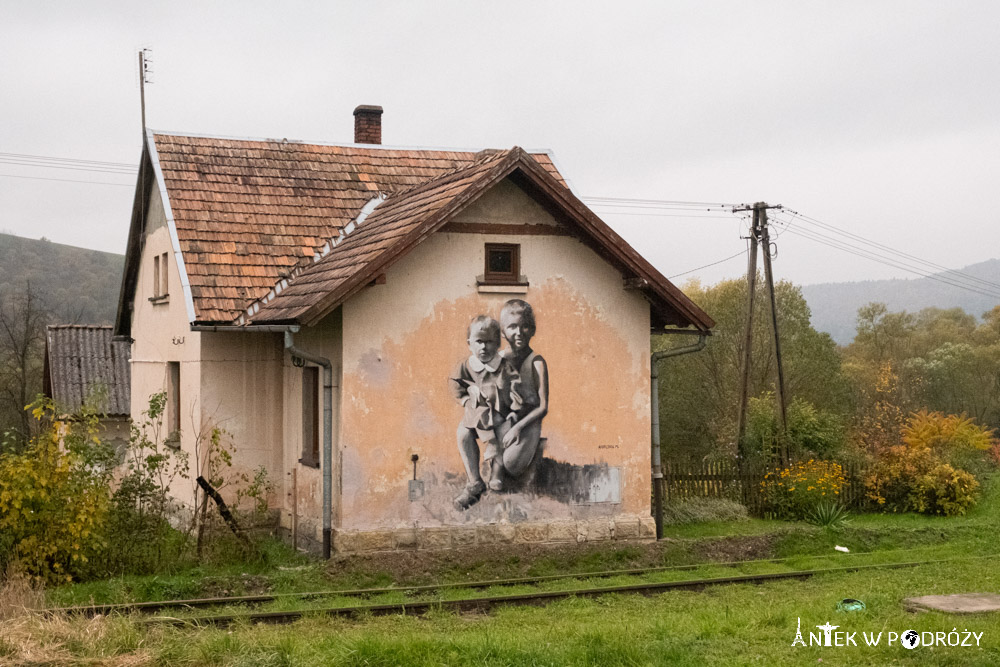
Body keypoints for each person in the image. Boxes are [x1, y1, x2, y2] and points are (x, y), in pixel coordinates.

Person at [449, 315, 516, 509]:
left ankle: (496, 473)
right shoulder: (466, 366)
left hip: (499, 414)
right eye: (479, 341)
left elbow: (515, 388)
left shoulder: (504, 366)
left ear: (497, 344)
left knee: (504, 432)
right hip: (474, 414)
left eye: (489, 342)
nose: (484, 347)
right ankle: (474, 481)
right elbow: (454, 384)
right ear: (469, 344)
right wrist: (464, 399)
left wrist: (509, 402)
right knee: (462, 433)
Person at [496, 299, 548, 480]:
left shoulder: (537, 362)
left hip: (528, 423)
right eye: (512, 327)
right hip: (506, 418)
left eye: (525, 327)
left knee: (511, 465)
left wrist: (517, 428)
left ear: (532, 330)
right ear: (503, 332)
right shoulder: (498, 360)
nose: (519, 333)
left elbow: (542, 407)